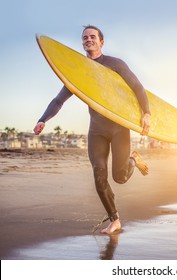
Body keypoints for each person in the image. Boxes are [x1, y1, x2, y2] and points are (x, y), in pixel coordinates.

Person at [34, 25, 151, 234]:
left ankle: (133, 159)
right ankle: (115, 220)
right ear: (82, 42)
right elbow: (58, 100)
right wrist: (43, 119)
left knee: (120, 177)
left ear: (101, 42)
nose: (88, 40)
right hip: (96, 130)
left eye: (92, 37)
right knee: (99, 174)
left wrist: (146, 113)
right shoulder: (79, 72)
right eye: (85, 37)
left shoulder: (115, 64)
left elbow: (137, 87)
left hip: (118, 128)